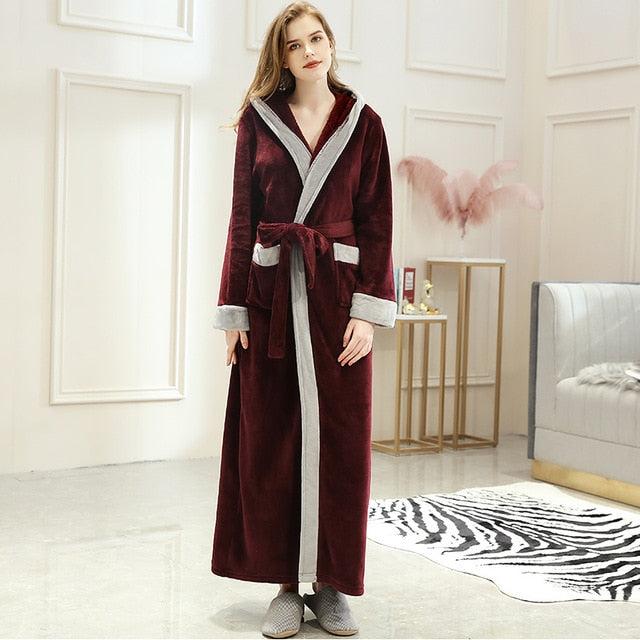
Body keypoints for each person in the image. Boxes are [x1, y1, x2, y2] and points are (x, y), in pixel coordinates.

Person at [211, 2, 396, 637]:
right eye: (295, 45)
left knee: (341, 446)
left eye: (316, 38)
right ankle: (288, 585)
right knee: (272, 442)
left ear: (331, 43)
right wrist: (234, 310)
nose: (309, 51)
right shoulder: (257, 122)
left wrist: (367, 312)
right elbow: (241, 220)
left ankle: (333, 584)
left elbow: (377, 223)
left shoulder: (364, 124)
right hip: (270, 302)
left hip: (337, 301)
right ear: (282, 57)